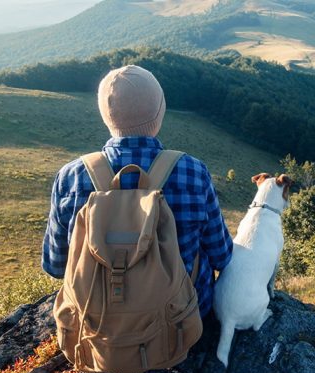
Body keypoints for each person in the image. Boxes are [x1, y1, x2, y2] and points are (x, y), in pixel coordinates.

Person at [41, 65, 233, 318]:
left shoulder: (71, 176)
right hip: (181, 318)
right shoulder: (193, 172)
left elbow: (55, 265)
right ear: (159, 111)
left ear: (105, 114)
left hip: (97, 328)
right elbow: (221, 256)